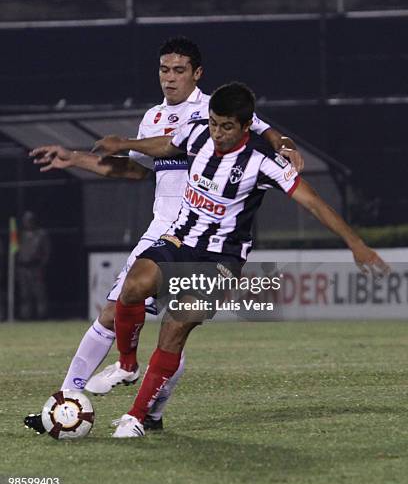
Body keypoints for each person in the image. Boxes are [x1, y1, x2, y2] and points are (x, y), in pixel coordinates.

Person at [25, 37, 304, 434]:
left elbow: (268, 131)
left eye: (178, 70)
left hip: (201, 239)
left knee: (171, 324)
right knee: (117, 313)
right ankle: (74, 401)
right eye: (163, 70)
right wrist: (76, 158)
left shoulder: (216, 112)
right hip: (162, 233)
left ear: (197, 73)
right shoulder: (153, 117)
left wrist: (288, 147)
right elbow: (135, 171)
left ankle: (137, 410)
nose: (169, 79)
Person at [92, 81, 389, 438]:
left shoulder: (262, 162)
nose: (218, 133)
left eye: (227, 126)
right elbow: (167, 144)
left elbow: (313, 202)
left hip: (221, 259)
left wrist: (357, 244)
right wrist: (123, 144)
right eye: (215, 123)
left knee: (176, 323)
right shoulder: (198, 132)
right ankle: (127, 365)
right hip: (180, 238)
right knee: (132, 287)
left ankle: (136, 417)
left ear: (246, 126)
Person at [16, 211, 50, 320]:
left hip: (36, 267)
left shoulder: (41, 234)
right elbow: (17, 251)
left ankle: (42, 316)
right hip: (23, 268)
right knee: (24, 294)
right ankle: (25, 316)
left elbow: (47, 252)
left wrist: (42, 266)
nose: (27, 223)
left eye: (30, 220)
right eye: (26, 221)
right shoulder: (21, 235)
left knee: (39, 293)